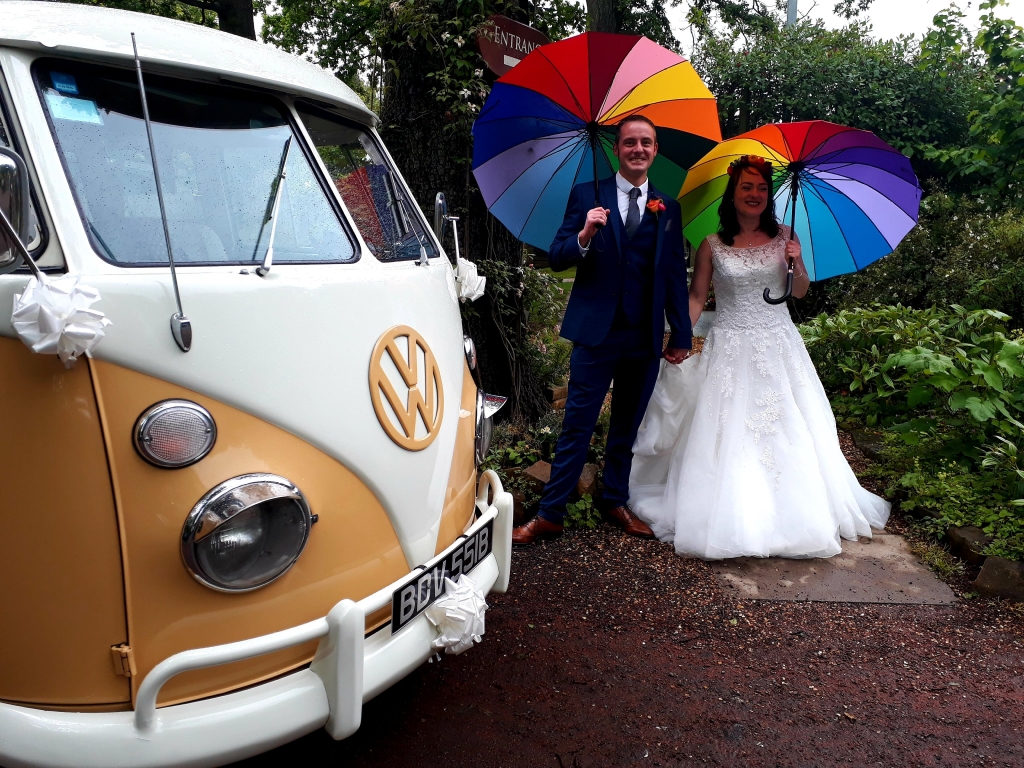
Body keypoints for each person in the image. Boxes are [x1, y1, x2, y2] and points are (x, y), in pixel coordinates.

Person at [629, 155, 890, 559]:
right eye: (746, 187)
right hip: (729, 346)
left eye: (761, 188)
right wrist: (679, 335)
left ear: (769, 196)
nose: (754, 194)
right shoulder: (711, 245)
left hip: (778, 344)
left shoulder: (786, 236)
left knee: (787, 425)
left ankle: (796, 511)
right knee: (727, 428)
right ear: (732, 195)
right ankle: (732, 511)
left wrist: (796, 262)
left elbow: (799, 292)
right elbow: (697, 297)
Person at [512, 115, 692, 545]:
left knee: (626, 426)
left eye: (646, 142)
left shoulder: (667, 206)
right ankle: (550, 514)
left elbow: (672, 275)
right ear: (617, 149)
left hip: (643, 336)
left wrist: (681, 334)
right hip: (595, 334)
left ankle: (614, 499)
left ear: (655, 150)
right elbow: (556, 256)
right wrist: (586, 232)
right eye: (630, 142)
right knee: (577, 423)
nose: (638, 149)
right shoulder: (585, 196)